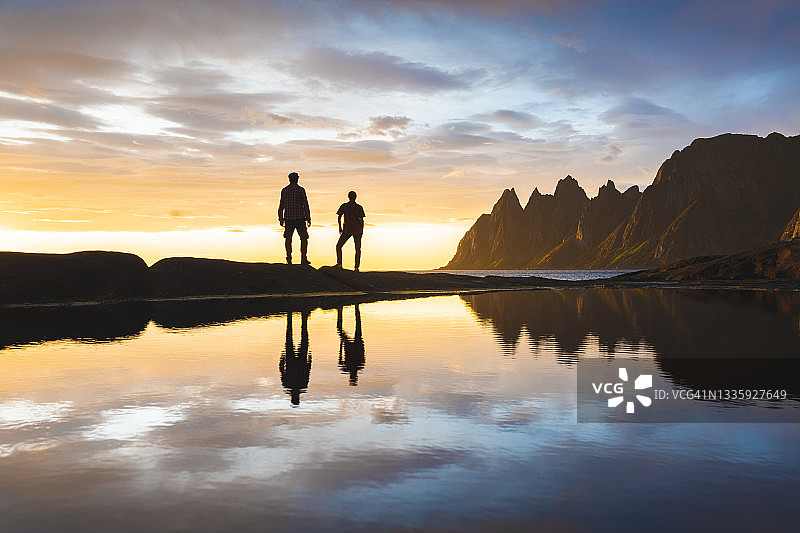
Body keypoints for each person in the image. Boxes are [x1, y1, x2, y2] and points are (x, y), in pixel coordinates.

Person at [277, 171, 311, 265]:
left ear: (289, 179)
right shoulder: (301, 190)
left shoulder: (285, 190)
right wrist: (308, 217)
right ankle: (303, 258)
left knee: (288, 239)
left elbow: (281, 205)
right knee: (304, 238)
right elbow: (305, 204)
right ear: (297, 179)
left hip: (288, 218)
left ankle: (289, 259)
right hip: (300, 218)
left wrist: (280, 218)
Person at [335, 190, 365, 271]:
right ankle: (356, 267)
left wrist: (340, 227)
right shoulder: (359, 207)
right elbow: (361, 220)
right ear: (355, 197)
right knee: (357, 249)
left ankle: (339, 264)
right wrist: (362, 230)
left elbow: (339, 216)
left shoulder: (345, 206)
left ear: (348, 197)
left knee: (339, 246)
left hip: (348, 229)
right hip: (356, 230)